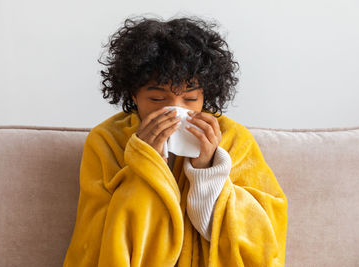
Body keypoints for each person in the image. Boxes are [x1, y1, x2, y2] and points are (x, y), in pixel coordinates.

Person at [63, 15, 288, 267]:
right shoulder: (107, 140)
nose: (173, 110)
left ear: (207, 95)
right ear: (133, 95)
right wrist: (148, 161)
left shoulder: (234, 139)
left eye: (190, 99)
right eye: (157, 100)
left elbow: (262, 234)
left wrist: (207, 170)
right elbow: (97, 236)